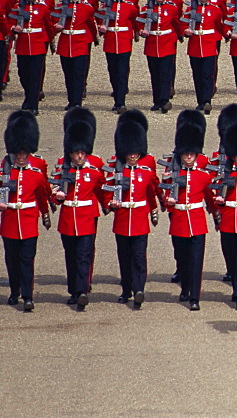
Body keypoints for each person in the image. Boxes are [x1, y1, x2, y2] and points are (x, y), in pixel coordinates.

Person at [51, 111, 108, 311]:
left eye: (82, 152)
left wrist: (107, 204)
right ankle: (74, 291)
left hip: (87, 216)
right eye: (76, 153)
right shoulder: (61, 166)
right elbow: (53, 190)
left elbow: (102, 188)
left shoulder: (95, 166)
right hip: (68, 217)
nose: (80, 156)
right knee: (71, 255)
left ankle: (82, 291)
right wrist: (56, 198)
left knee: (84, 254)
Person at [104, 116, 159, 309]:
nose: (133, 155)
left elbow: (152, 192)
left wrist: (153, 210)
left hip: (139, 219)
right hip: (122, 219)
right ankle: (126, 289)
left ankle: (139, 290)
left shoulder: (146, 171)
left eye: (136, 152)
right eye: (130, 152)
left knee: (139, 257)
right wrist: (110, 204)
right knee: (124, 257)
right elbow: (106, 190)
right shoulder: (116, 171)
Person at [0, 111, 50, 312]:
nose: (21, 157)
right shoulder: (3, 172)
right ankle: (14, 291)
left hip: (29, 223)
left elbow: (43, 196)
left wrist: (45, 214)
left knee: (27, 260)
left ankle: (28, 296)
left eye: (24, 153)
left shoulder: (36, 175)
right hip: (10, 222)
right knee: (12, 260)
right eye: (18, 153)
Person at [161, 121, 213, 311]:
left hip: (198, 222)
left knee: (196, 260)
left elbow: (210, 196)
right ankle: (185, 288)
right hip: (179, 221)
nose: (189, 157)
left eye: (192, 154)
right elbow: (164, 194)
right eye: (186, 154)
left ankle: (194, 297)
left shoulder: (203, 175)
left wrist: (216, 214)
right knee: (182, 258)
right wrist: (169, 202)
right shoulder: (172, 173)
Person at [208, 123, 237, 309]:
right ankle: (236, 287)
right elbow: (210, 193)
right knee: (231, 258)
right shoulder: (224, 174)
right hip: (228, 220)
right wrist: (217, 200)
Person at [8, 0, 54, 114]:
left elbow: (49, 26)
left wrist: (50, 41)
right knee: (23, 74)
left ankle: (33, 105)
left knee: (35, 76)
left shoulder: (43, 9)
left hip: (38, 45)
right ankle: (28, 97)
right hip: (22, 46)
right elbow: (9, 24)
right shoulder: (17, 8)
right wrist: (13, 30)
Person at [139, 0, 182, 114]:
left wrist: (182, 35)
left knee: (165, 73)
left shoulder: (171, 8)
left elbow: (177, 24)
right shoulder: (146, 8)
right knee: (155, 74)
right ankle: (156, 100)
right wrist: (141, 31)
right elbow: (140, 23)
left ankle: (164, 100)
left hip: (167, 43)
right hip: (152, 44)